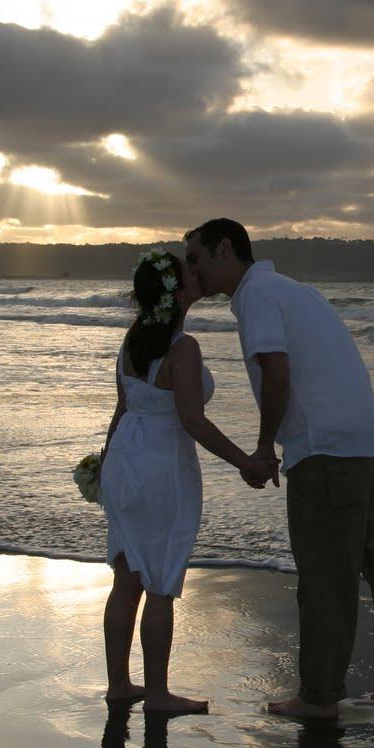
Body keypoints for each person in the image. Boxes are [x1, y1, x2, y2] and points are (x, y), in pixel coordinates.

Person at [183, 219, 374, 719]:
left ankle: (318, 696)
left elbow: (277, 371)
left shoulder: (254, 296)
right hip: (361, 440)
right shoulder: (293, 289)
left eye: (196, 258)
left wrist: (265, 443)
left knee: (324, 577)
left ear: (225, 249)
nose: (194, 270)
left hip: (323, 451)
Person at [98, 248, 276, 715]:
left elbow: (120, 411)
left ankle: (120, 684)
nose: (196, 278)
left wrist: (103, 464)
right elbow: (193, 421)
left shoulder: (130, 341)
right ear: (175, 292)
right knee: (160, 580)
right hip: (162, 464)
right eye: (188, 275)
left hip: (123, 459)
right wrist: (246, 462)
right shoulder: (183, 348)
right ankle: (157, 694)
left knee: (127, 576)